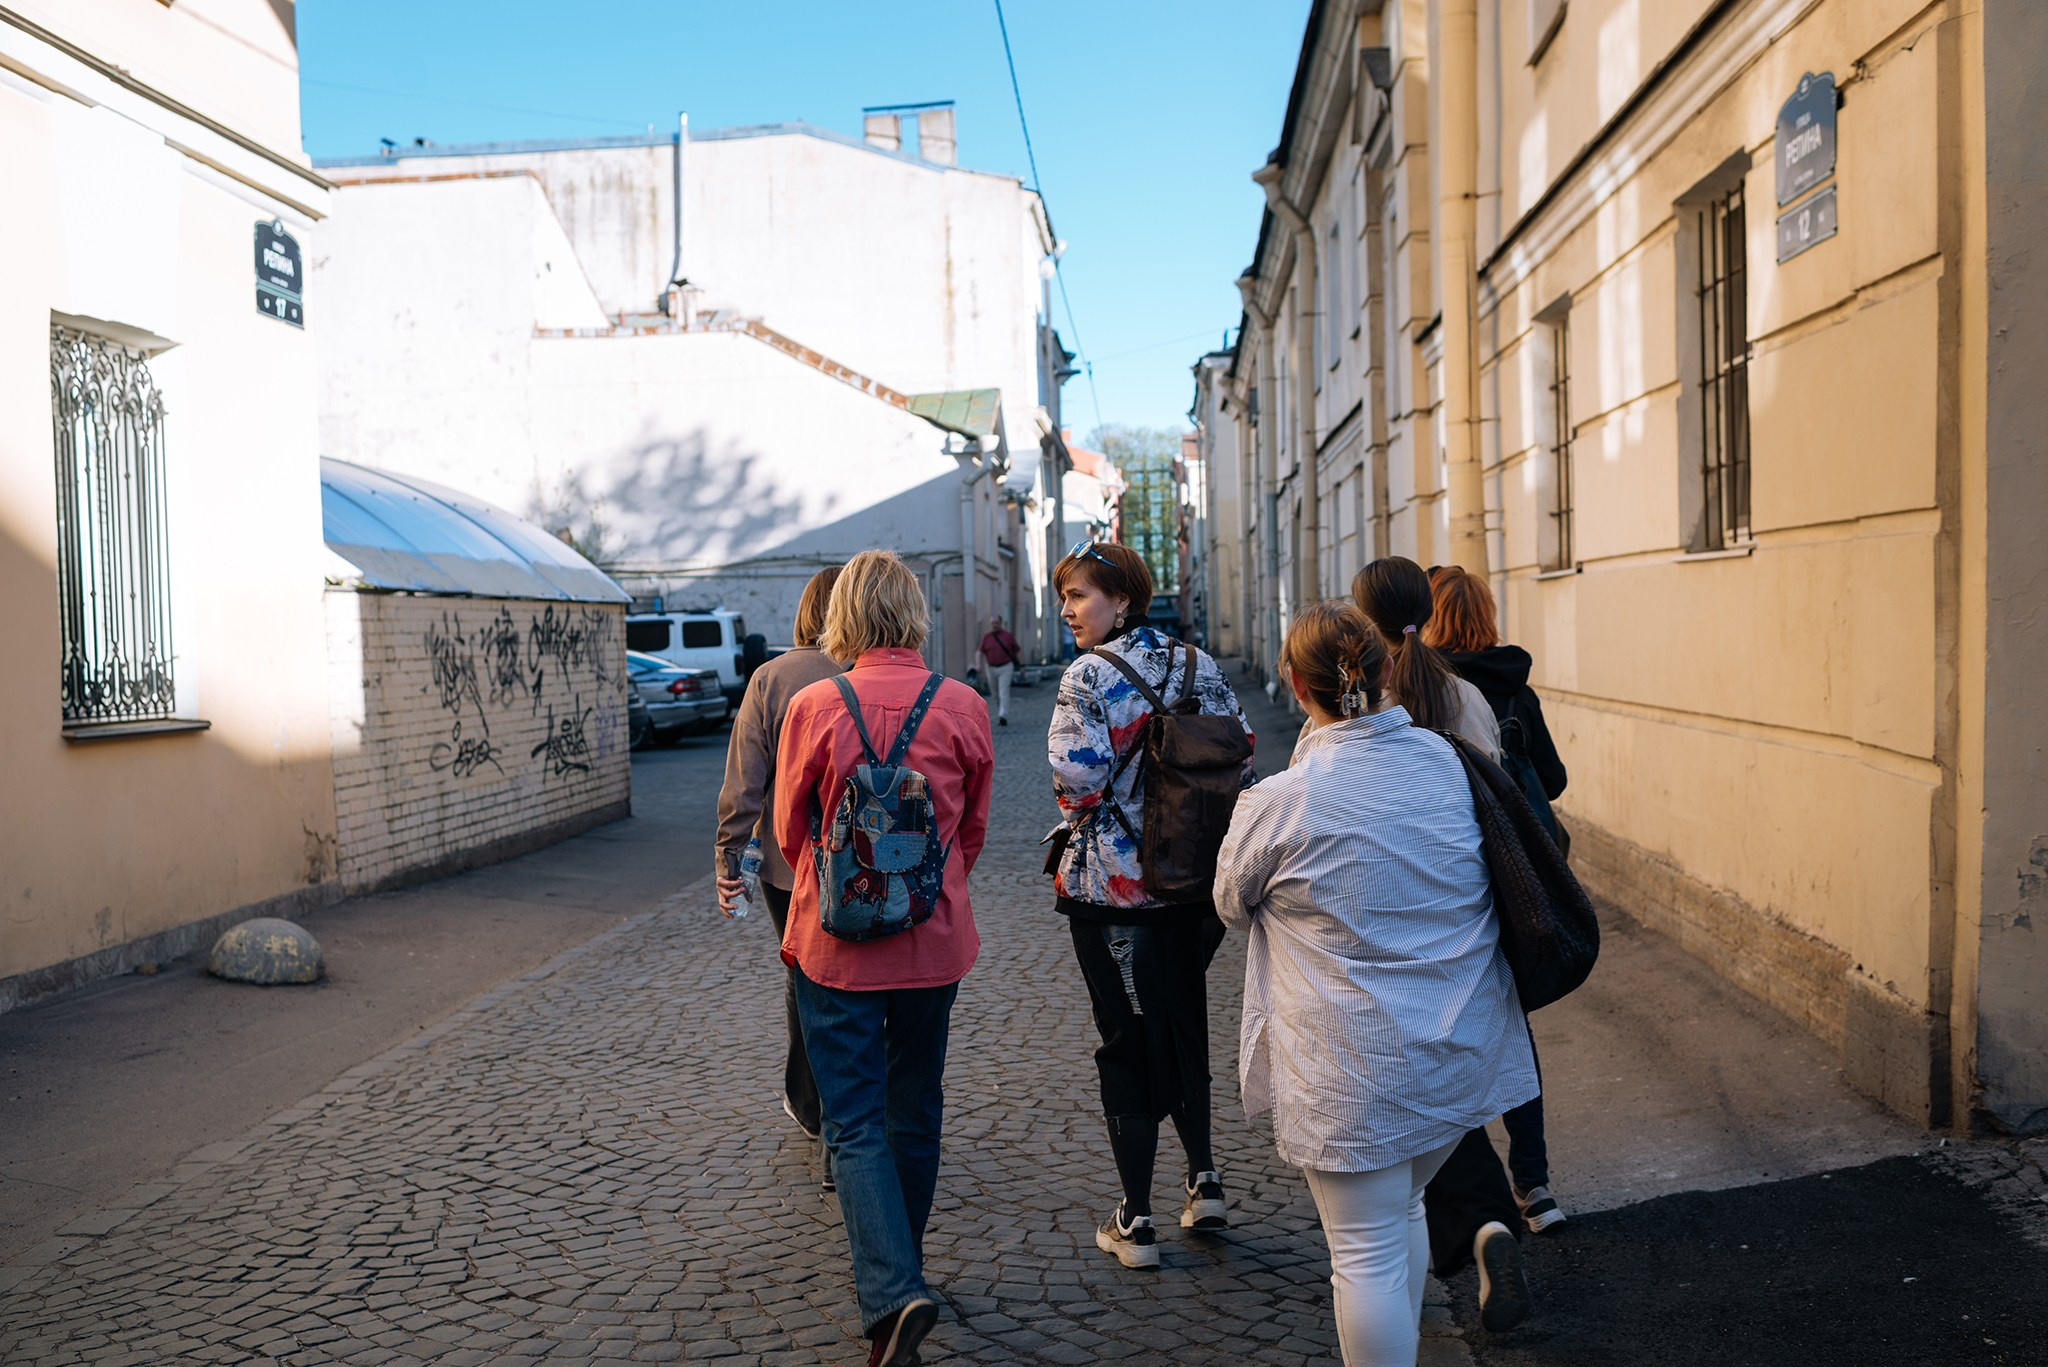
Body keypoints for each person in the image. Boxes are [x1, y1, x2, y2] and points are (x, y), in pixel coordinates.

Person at [1216, 600, 1539, 1365]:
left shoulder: (1280, 802)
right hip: (1454, 1049)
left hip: (1350, 1073)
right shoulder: (1447, 760)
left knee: (1361, 1253)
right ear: (1391, 667)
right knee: (1407, 1209)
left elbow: (1231, 900)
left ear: (1296, 684)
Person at [772, 549, 993, 1367]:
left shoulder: (814, 704)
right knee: (916, 1106)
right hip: (933, 941)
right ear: (914, 611)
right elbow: (968, 832)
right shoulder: (964, 704)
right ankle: (906, 1273)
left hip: (835, 947)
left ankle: (893, 1294)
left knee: (854, 1119)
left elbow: (793, 835)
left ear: (845, 618)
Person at [1046, 539, 1255, 1270]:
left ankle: (1134, 1219)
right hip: (1194, 889)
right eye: (1065, 595)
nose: (1067, 609)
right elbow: (1243, 757)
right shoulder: (1202, 666)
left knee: (1127, 1040)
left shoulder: (1088, 676)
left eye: (1079, 595)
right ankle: (1205, 1181)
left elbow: (1077, 780)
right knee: (1182, 1023)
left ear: (1123, 599)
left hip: (1116, 893)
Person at [1427, 564, 1570, 1234]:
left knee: (1446, 1030)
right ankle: (1535, 1186)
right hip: (1515, 882)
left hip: (1449, 882)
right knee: (1513, 1025)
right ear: (1486, 612)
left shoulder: (1421, 691)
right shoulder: (1516, 686)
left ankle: (1473, 1203)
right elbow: (1556, 781)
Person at [714, 565, 844, 1149]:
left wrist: (727, 859)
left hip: (788, 863)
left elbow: (745, 780)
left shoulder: (771, 678)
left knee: (803, 969)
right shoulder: (871, 672)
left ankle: (810, 1100)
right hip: (873, 859)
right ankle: (860, 1103)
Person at [1350, 557, 1501, 759]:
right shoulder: (1467, 695)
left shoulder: (1350, 706)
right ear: (1429, 612)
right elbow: (1491, 771)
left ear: (1364, 620)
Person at [975, 615, 1022, 726]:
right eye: (992, 623)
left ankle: (1003, 715)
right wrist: (978, 664)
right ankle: (1001, 709)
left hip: (1006, 667)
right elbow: (979, 652)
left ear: (1001, 623)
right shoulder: (987, 637)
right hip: (990, 667)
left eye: (996, 622)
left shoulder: (1008, 636)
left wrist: (1022, 666)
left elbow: (1018, 651)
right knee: (995, 693)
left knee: (1003, 691)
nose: (994, 625)